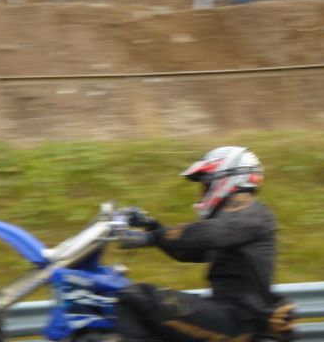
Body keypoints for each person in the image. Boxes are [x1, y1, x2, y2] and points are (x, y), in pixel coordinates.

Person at [117, 147, 295, 342]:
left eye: (205, 186)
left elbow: (210, 233)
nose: (201, 194)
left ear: (228, 180)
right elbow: (185, 251)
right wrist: (152, 226)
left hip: (241, 319)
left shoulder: (254, 215)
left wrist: (150, 238)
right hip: (230, 314)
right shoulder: (233, 226)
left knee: (137, 297)